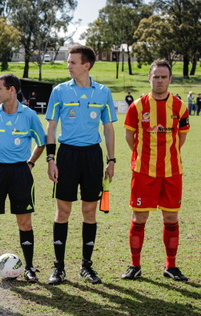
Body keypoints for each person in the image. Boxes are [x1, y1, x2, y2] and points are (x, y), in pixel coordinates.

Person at [45, 46, 117, 285]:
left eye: (73, 62)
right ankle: (59, 268)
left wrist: (111, 160)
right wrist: (51, 159)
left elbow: (108, 128)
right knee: (63, 211)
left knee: (89, 212)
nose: (69, 66)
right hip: (66, 156)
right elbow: (52, 127)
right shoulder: (60, 91)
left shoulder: (104, 92)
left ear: (86, 65)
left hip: (92, 157)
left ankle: (86, 266)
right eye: (68, 62)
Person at [121, 59, 190, 282]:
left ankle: (171, 265)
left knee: (171, 216)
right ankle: (135, 265)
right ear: (149, 78)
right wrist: (144, 156)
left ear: (170, 79)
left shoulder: (180, 107)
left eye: (163, 77)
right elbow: (130, 137)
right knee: (139, 218)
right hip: (143, 172)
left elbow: (181, 137)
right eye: (156, 76)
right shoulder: (137, 107)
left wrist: (167, 155)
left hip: (172, 172)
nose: (159, 80)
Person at [0, 74, 46, 284]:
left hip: (20, 173)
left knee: (24, 222)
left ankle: (30, 268)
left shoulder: (29, 115)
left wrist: (31, 163)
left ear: (12, 90)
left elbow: (41, 141)